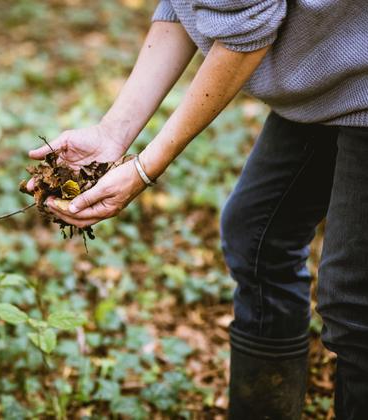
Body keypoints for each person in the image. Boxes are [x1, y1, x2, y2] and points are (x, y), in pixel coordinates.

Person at [26, 1, 368, 419]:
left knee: (354, 302)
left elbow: (244, 37)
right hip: (331, 72)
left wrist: (145, 167)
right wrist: (111, 134)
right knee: (257, 239)